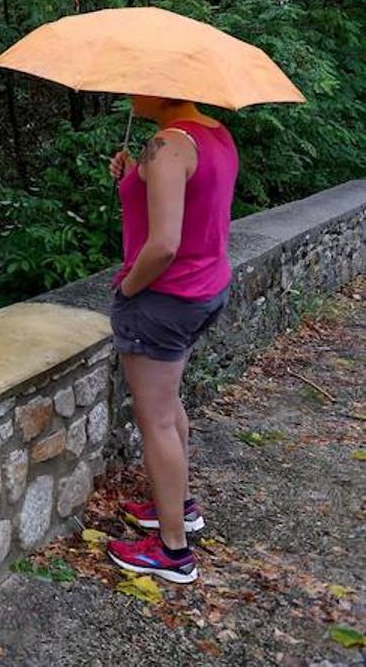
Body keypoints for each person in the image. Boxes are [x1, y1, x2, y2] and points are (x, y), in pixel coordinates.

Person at [104, 95, 239, 584]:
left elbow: (163, 245)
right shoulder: (215, 135)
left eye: (140, 85)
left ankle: (173, 551)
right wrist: (134, 176)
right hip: (205, 289)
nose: (132, 93)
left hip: (164, 298)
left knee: (155, 419)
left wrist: (128, 289)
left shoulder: (167, 145)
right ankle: (179, 505)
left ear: (163, 90)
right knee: (168, 402)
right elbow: (193, 199)